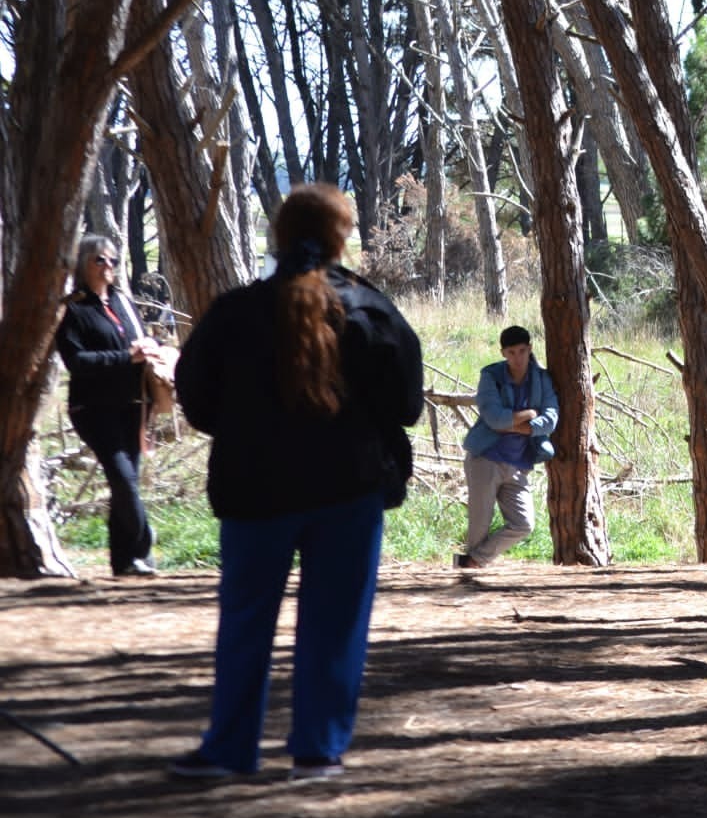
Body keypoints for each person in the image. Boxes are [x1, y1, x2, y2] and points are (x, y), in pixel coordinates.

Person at [169, 183, 424, 781]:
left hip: (255, 491)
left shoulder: (234, 311)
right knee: (335, 625)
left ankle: (229, 752)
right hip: (348, 492)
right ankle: (317, 752)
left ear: (278, 235)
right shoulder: (372, 309)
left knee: (246, 622)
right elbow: (408, 405)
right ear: (341, 238)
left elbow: (198, 403)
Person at [55, 236, 164, 577]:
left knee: (125, 482)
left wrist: (151, 349)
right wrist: (125, 357)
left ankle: (125, 561)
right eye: (100, 260)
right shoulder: (73, 308)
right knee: (123, 478)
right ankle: (146, 543)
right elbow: (76, 360)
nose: (108, 267)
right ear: (83, 265)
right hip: (94, 409)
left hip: (133, 406)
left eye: (113, 261)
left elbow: (142, 339)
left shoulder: (122, 302)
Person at [456, 325, 558, 569]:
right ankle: (468, 577)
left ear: (529, 349)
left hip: (518, 464)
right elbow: (494, 418)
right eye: (511, 352)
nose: (517, 358)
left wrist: (522, 424)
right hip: (485, 460)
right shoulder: (491, 376)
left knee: (524, 524)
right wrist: (530, 414)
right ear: (503, 353)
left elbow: (551, 419)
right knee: (479, 525)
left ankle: (470, 562)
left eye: (522, 351)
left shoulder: (541, 379)